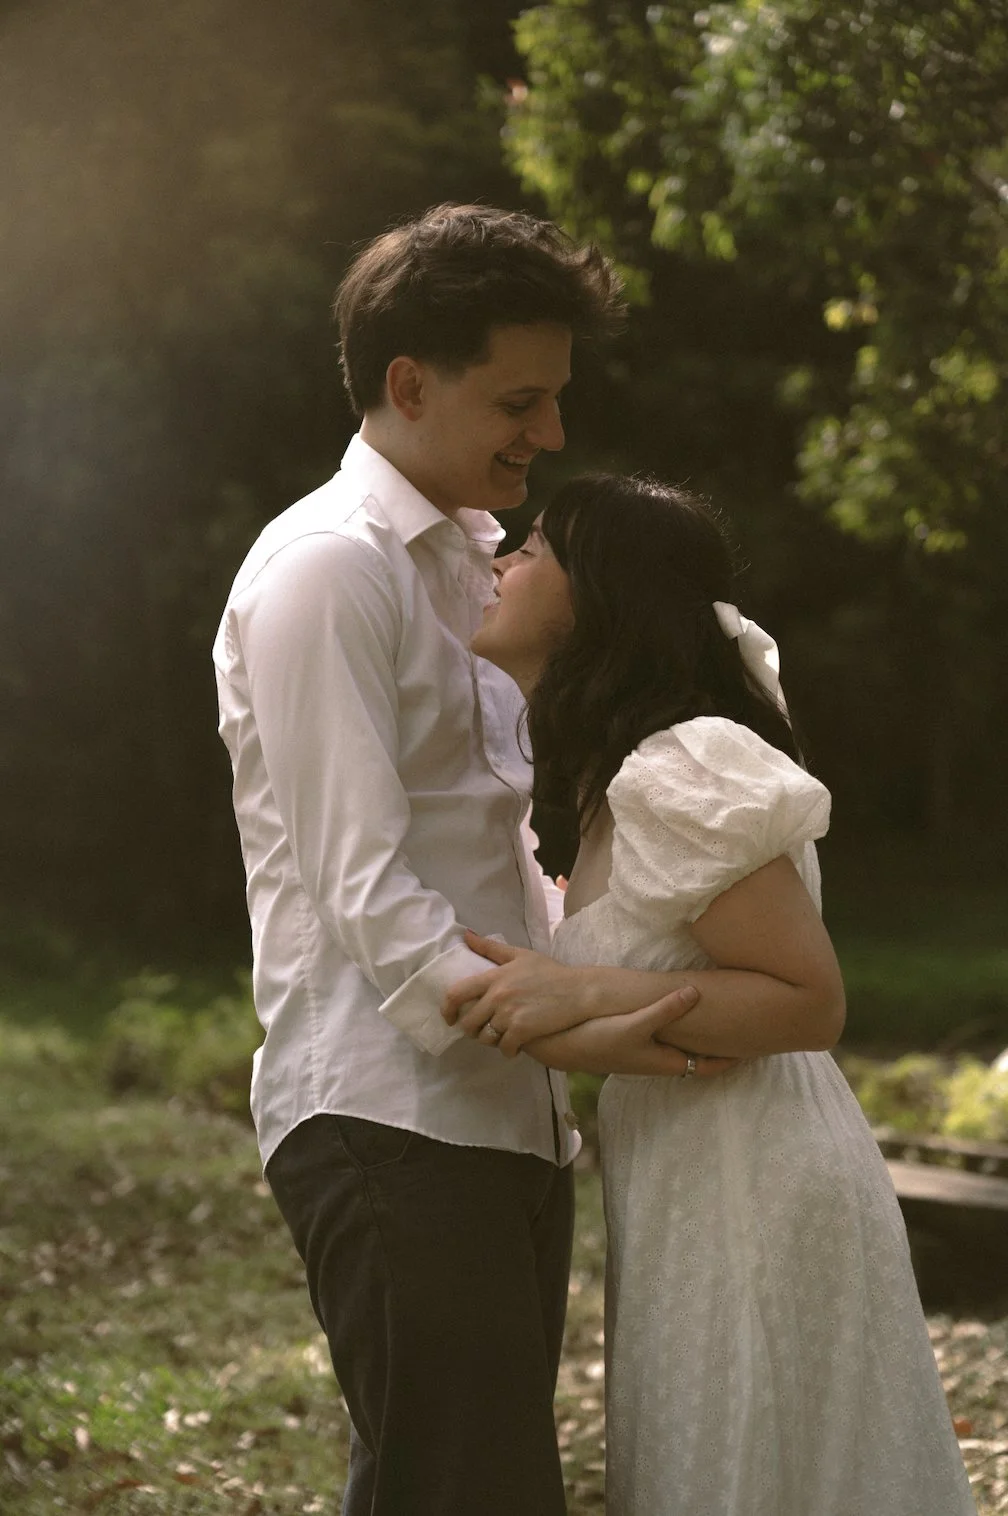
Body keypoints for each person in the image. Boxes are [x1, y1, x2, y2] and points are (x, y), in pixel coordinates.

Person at [213, 204, 738, 1516]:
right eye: (521, 399)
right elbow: (361, 884)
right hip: (388, 1109)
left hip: (502, 1120)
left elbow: (497, 849)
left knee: (449, 1484)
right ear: (409, 384)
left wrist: (613, 981)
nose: (550, 436)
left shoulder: (471, 569)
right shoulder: (330, 574)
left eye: (555, 400)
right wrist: (581, 1028)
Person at [445, 473, 977, 1516]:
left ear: (601, 592)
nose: (503, 559)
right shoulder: (623, 779)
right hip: (692, 1169)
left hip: (754, 1175)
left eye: (537, 547)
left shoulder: (675, 764)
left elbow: (807, 1001)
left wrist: (577, 984)